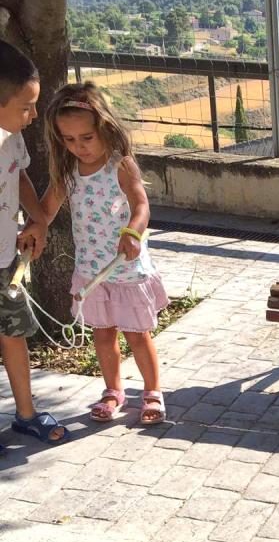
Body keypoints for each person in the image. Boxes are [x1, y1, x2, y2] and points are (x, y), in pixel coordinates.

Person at [40, 81, 168, 425]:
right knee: (103, 334)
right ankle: (113, 390)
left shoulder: (120, 166)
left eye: (86, 138)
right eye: (68, 139)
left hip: (125, 268)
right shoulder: (67, 172)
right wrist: (34, 227)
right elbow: (48, 208)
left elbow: (141, 205)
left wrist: (132, 233)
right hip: (92, 269)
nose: (78, 147)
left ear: (104, 128)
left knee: (137, 335)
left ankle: (152, 390)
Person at [0, 39, 69, 449]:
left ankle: (26, 416)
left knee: (14, 334)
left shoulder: (11, 135)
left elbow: (20, 176)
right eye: (26, 106)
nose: (33, 115)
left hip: (7, 260)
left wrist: (38, 219)